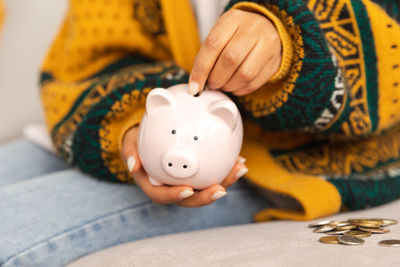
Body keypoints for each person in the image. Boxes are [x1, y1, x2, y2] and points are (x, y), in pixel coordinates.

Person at [1, 0, 399, 265]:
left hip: (289, 154)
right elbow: (93, 50)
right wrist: (134, 130)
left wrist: (293, 39)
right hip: (132, 123)